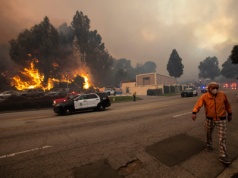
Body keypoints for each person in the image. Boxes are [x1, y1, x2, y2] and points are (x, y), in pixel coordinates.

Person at [191, 82, 232, 164]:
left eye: (216, 88)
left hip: (221, 119)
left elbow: (227, 105)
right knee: (208, 133)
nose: (215, 89)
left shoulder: (222, 95)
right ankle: (209, 145)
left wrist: (230, 113)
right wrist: (194, 112)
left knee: (222, 137)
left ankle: (223, 155)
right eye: (213, 88)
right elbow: (198, 105)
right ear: (209, 89)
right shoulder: (205, 96)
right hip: (210, 119)